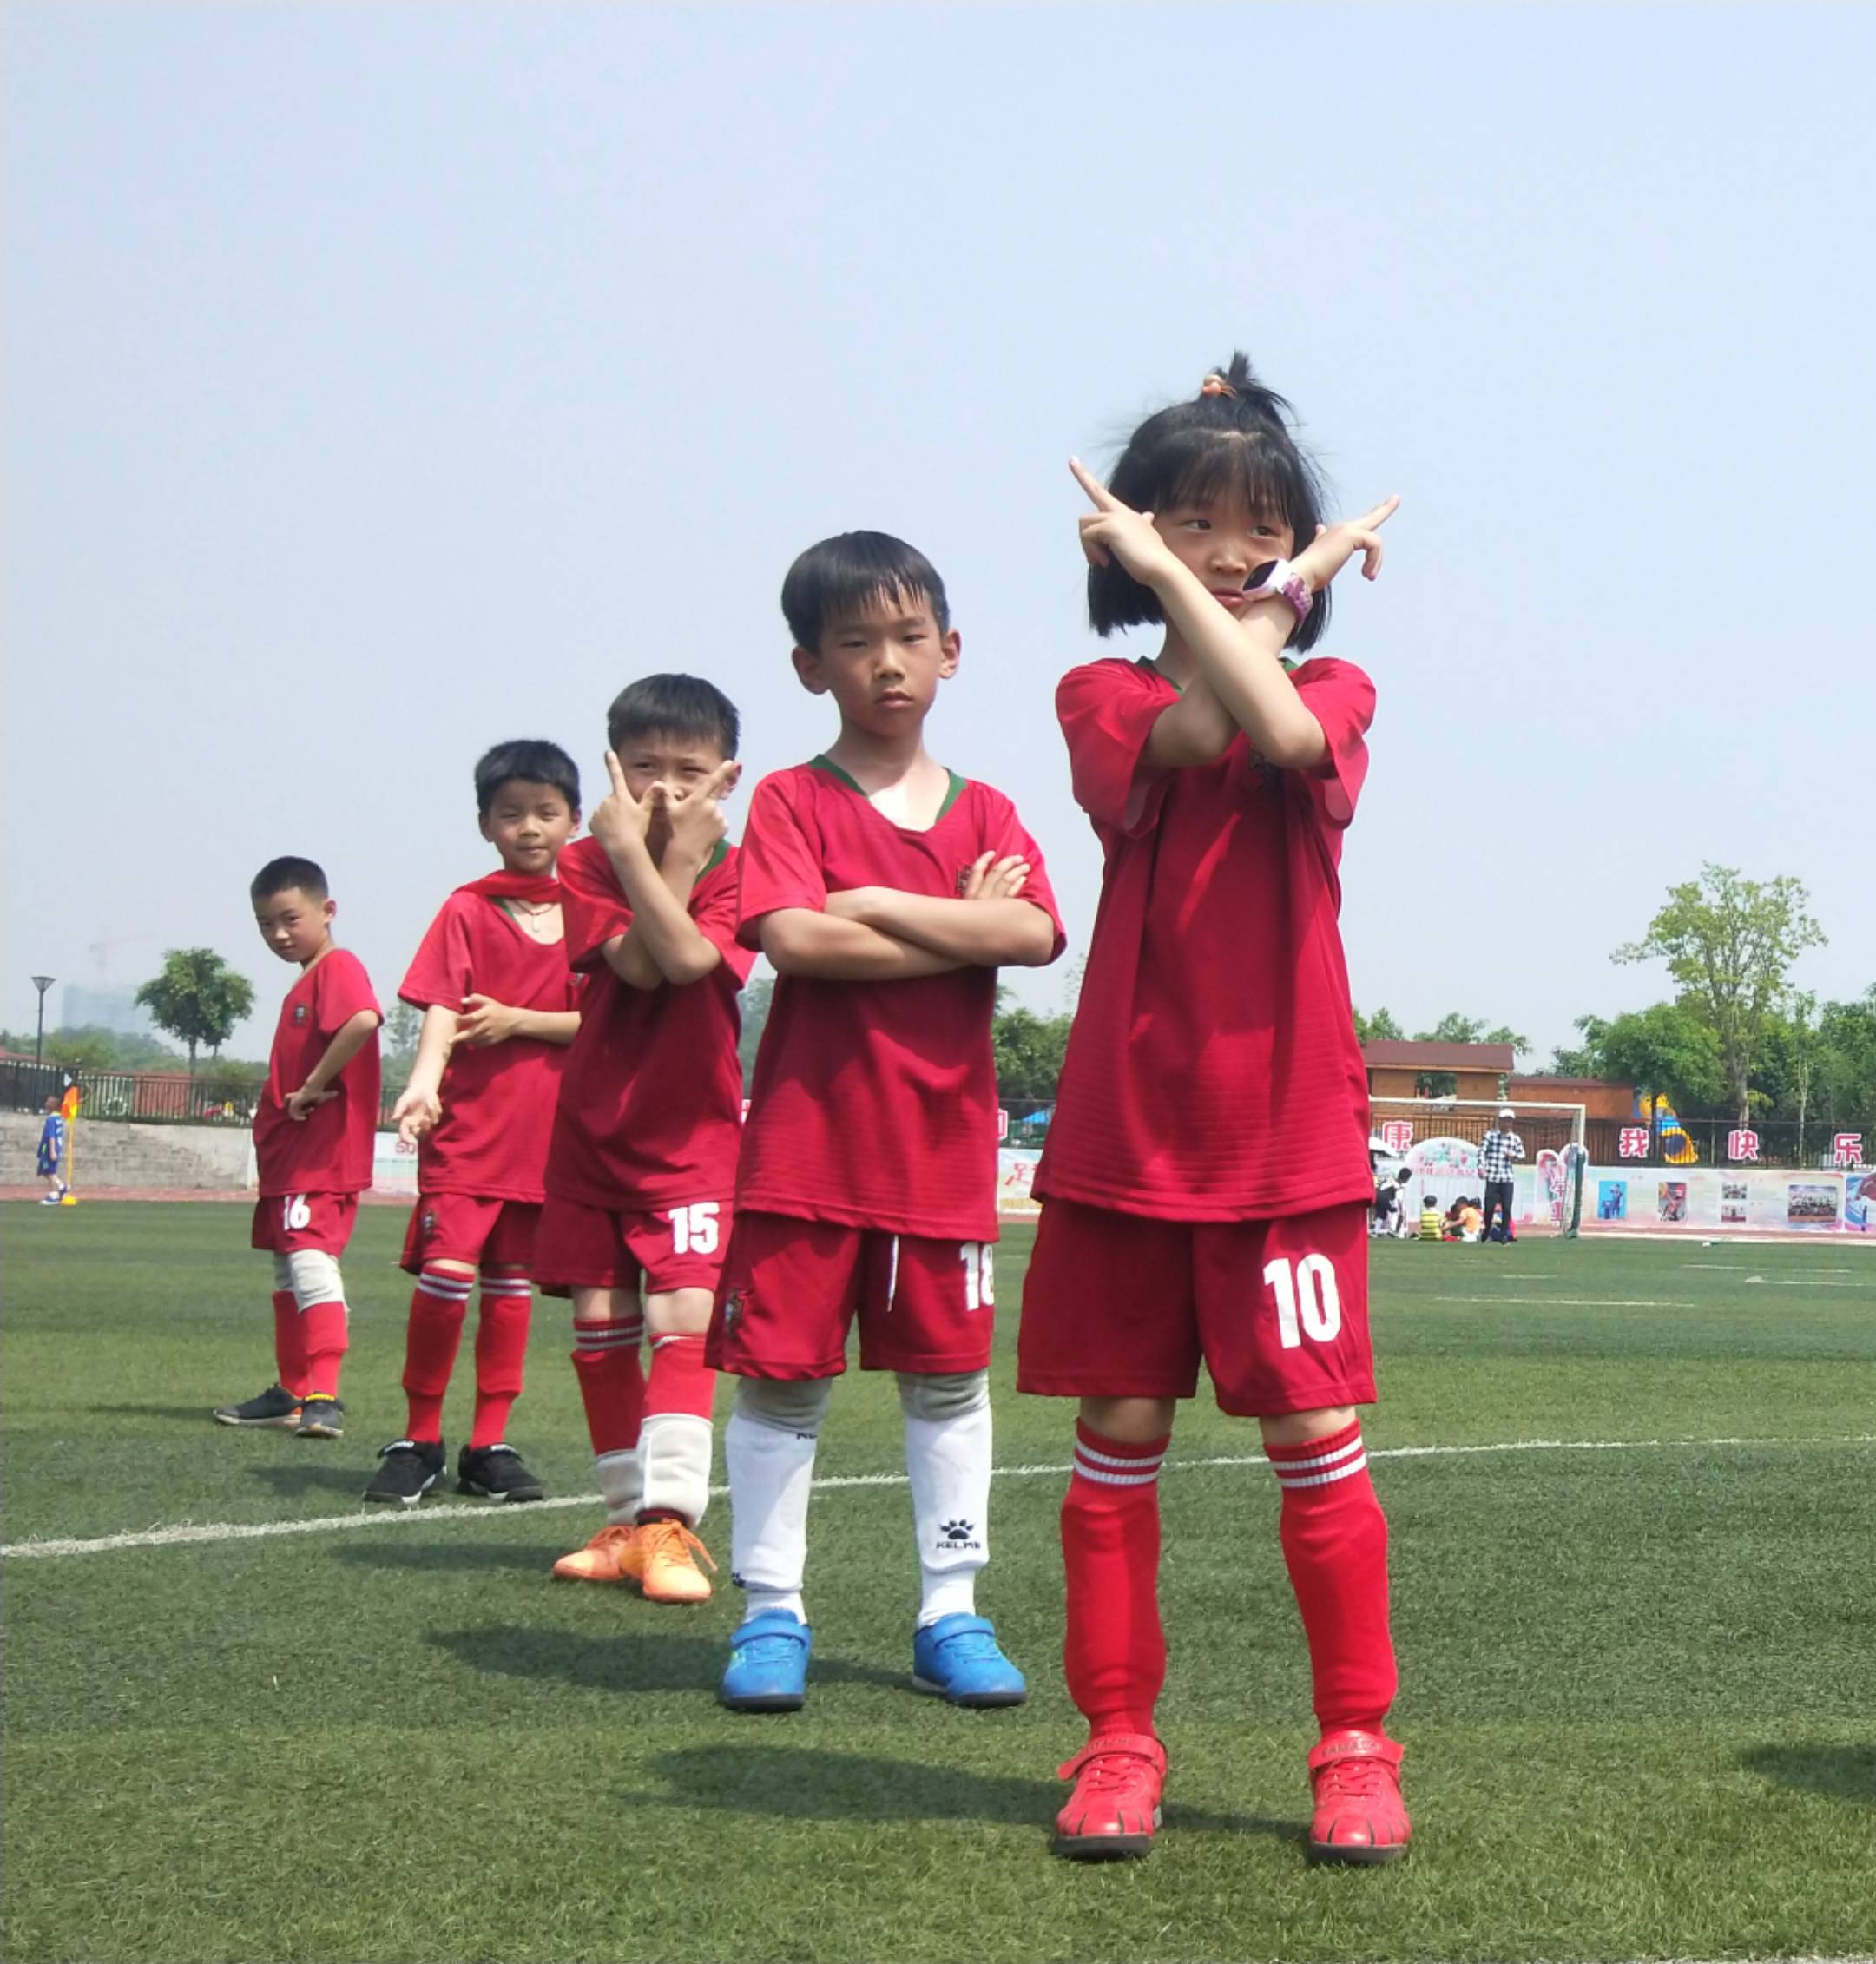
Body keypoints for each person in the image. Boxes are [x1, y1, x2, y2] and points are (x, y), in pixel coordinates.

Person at [1024, 356, 1409, 1863]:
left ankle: (1356, 1744)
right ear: (1136, 535)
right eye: (1191, 521)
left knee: (1313, 1432)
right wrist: (1282, 586)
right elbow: (1196, 727)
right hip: (1125, 1130)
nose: (1230, 550)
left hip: (1282, 1135)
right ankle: (1117, 1737)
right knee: (1118, 1433)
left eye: (1262, 527)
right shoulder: (1102, 695)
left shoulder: (1333, 688)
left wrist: (1276, 597)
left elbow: (1283, 736)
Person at [714, 532, 1064, 1714]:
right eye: (856, 642)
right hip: (805, 1153)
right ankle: (771, 1613)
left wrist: (866, 899)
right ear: (810, 665)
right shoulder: (789, 797)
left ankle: (950, 1610)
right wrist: (950, 927)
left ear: (950, 650)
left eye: (910, 637)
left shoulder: (990, 808)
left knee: (948, 1386)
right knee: (780, 1388)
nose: (888, 662)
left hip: (940, 1158)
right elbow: (794, 940)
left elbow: (1031, 934)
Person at [536, 676, 752, 1605]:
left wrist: (657, 857)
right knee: (599, 1331)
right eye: (646, 768)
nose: (666, 789)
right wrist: (634, 856)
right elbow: (631, 963)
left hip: (693, 1133)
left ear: (727, 777)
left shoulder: (737, 864)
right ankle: (625, 1524)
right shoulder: (586, 862)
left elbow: (688, 961)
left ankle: (670, 1523)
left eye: (689, 772)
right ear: (613, 769)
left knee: (682, 1319)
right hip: (594, 1130)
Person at [372, 740, 584, 1506]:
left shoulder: (597, 911)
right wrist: (422, 1086)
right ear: (485, 824)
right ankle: (419, 1438)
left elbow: (603, 1023)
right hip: (468, 1134)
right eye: (511, 813)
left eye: (546, 812)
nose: (529, 827)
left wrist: (518, 1020)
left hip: (549, 1139)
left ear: (574, 819)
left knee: (510, 1290)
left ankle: (489, 1444)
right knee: (445, 1280)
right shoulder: (466, 908)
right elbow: (442, 1005)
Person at [214, 858, 379, 1440]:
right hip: (290, 1160)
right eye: (266, 924)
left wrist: (312, 1085)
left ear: (327, 911)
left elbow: (363, 1019)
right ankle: (292, 1389)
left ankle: (323, 1394)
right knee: (288, 1274)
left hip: (318, 1158)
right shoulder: (306, 980)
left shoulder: (338, 967)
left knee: (311, 1266)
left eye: (290, 918)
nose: (279, 933)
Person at [1478, 1107, 1524, 1242]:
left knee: (1506, 1207)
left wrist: (1513, 1155)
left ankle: (1504, 1234)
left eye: (1509, 1121)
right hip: (1492, 1176)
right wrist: (1481, 1167)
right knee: (1489, 1206)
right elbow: (1482, 1152)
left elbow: (1522, 1154)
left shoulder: (1515, 1139)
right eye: (1505, 1120)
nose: (1507, 1123)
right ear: (1500, 1121)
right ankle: (1487, 1228)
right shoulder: (1490, 1136)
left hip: (1507, 1177)